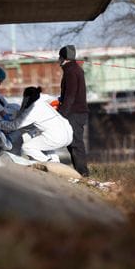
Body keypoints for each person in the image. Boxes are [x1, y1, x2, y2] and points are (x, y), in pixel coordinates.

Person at [0, 86, 72, 162]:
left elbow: (15, 125)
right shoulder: (42, 103)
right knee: (44, 144)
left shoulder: (31, 110)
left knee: (27, 147)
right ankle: (55, 162)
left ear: (27, 97)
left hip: (57, 137)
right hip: (67, 133)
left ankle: (48, 162)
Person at [58, 45, 90, 177]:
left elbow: (71, 95)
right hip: (77, 111)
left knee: (75, 143)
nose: (58, 60)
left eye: (59, 57)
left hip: (74, 113)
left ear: (63, 58)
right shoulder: (76, 69)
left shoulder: (71, 71)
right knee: (73, 142)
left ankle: (83, 173)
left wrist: (61, 114)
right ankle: (80, 171)